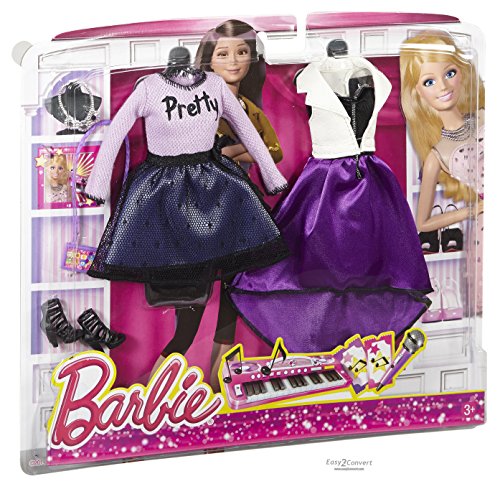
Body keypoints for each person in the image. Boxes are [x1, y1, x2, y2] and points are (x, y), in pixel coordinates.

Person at [400, 30, 485, 314]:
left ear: (462, 72)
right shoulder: (436, 155)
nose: (443, 87)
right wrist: (473, 210)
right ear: (417, 92)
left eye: (450, 73)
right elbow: (423, 223)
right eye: (429, 81)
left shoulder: (486, 116)